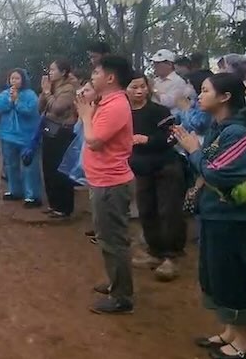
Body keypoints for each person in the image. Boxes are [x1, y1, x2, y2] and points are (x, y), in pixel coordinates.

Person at [173, 73, 246, 359]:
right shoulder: (220, 127)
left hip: (234, 217)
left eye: (205, 91)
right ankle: (230, 332)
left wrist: (193, 151)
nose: (199, 96)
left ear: (225, 97)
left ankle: (245, 344)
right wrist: (195, 152)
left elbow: (215, 170)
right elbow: (208, 164)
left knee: (235, 275)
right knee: (217, 273)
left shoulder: (237, 133)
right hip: (216, 213)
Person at [78, 54, 136, 315]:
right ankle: (116, 283)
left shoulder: (115, 105)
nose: (93, 76)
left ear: (111, 77)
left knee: (114, 240)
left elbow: (94, 141)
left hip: (110, 183)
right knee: (106, 237)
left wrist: (86, 114)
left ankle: (122, 297)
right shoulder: (107, 101)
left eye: (97, 72)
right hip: (102, 180)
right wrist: (88, 111)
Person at [126, 73, 186, 280]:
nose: (139, 91)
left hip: (166, 167)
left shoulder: (158, 111)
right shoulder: (122, 113)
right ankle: (155, 252)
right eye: (134, 87)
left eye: (142, 86)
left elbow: (171, 137)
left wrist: (147, 139)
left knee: (168, 211)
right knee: (146, 209)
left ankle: (171, 257)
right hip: (143, 169)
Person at [0, 69, 42, 207]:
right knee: (10, 164)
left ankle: (32, 196)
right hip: (8, 135)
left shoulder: (30, 95)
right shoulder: (4, 94)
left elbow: (30, 110)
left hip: (27, 136)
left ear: (23, 80)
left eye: (17, 78)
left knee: (29, 165)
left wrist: (17, 101)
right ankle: (15, 191)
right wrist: (10, 100)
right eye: (12, 78)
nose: (14, 81)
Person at [39, 58, 80, 218]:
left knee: (60, 169)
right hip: (49, 129)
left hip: (63, 132)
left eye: (53, 70)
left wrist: (48, 94)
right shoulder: (52, 87)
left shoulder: (69, 89)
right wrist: (44, 92)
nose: (50, 73)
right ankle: (53, 204)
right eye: (49, 70)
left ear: (63, 72)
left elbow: (57, 108)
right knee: (48, 167)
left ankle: (64, 207)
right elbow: (39, 107)